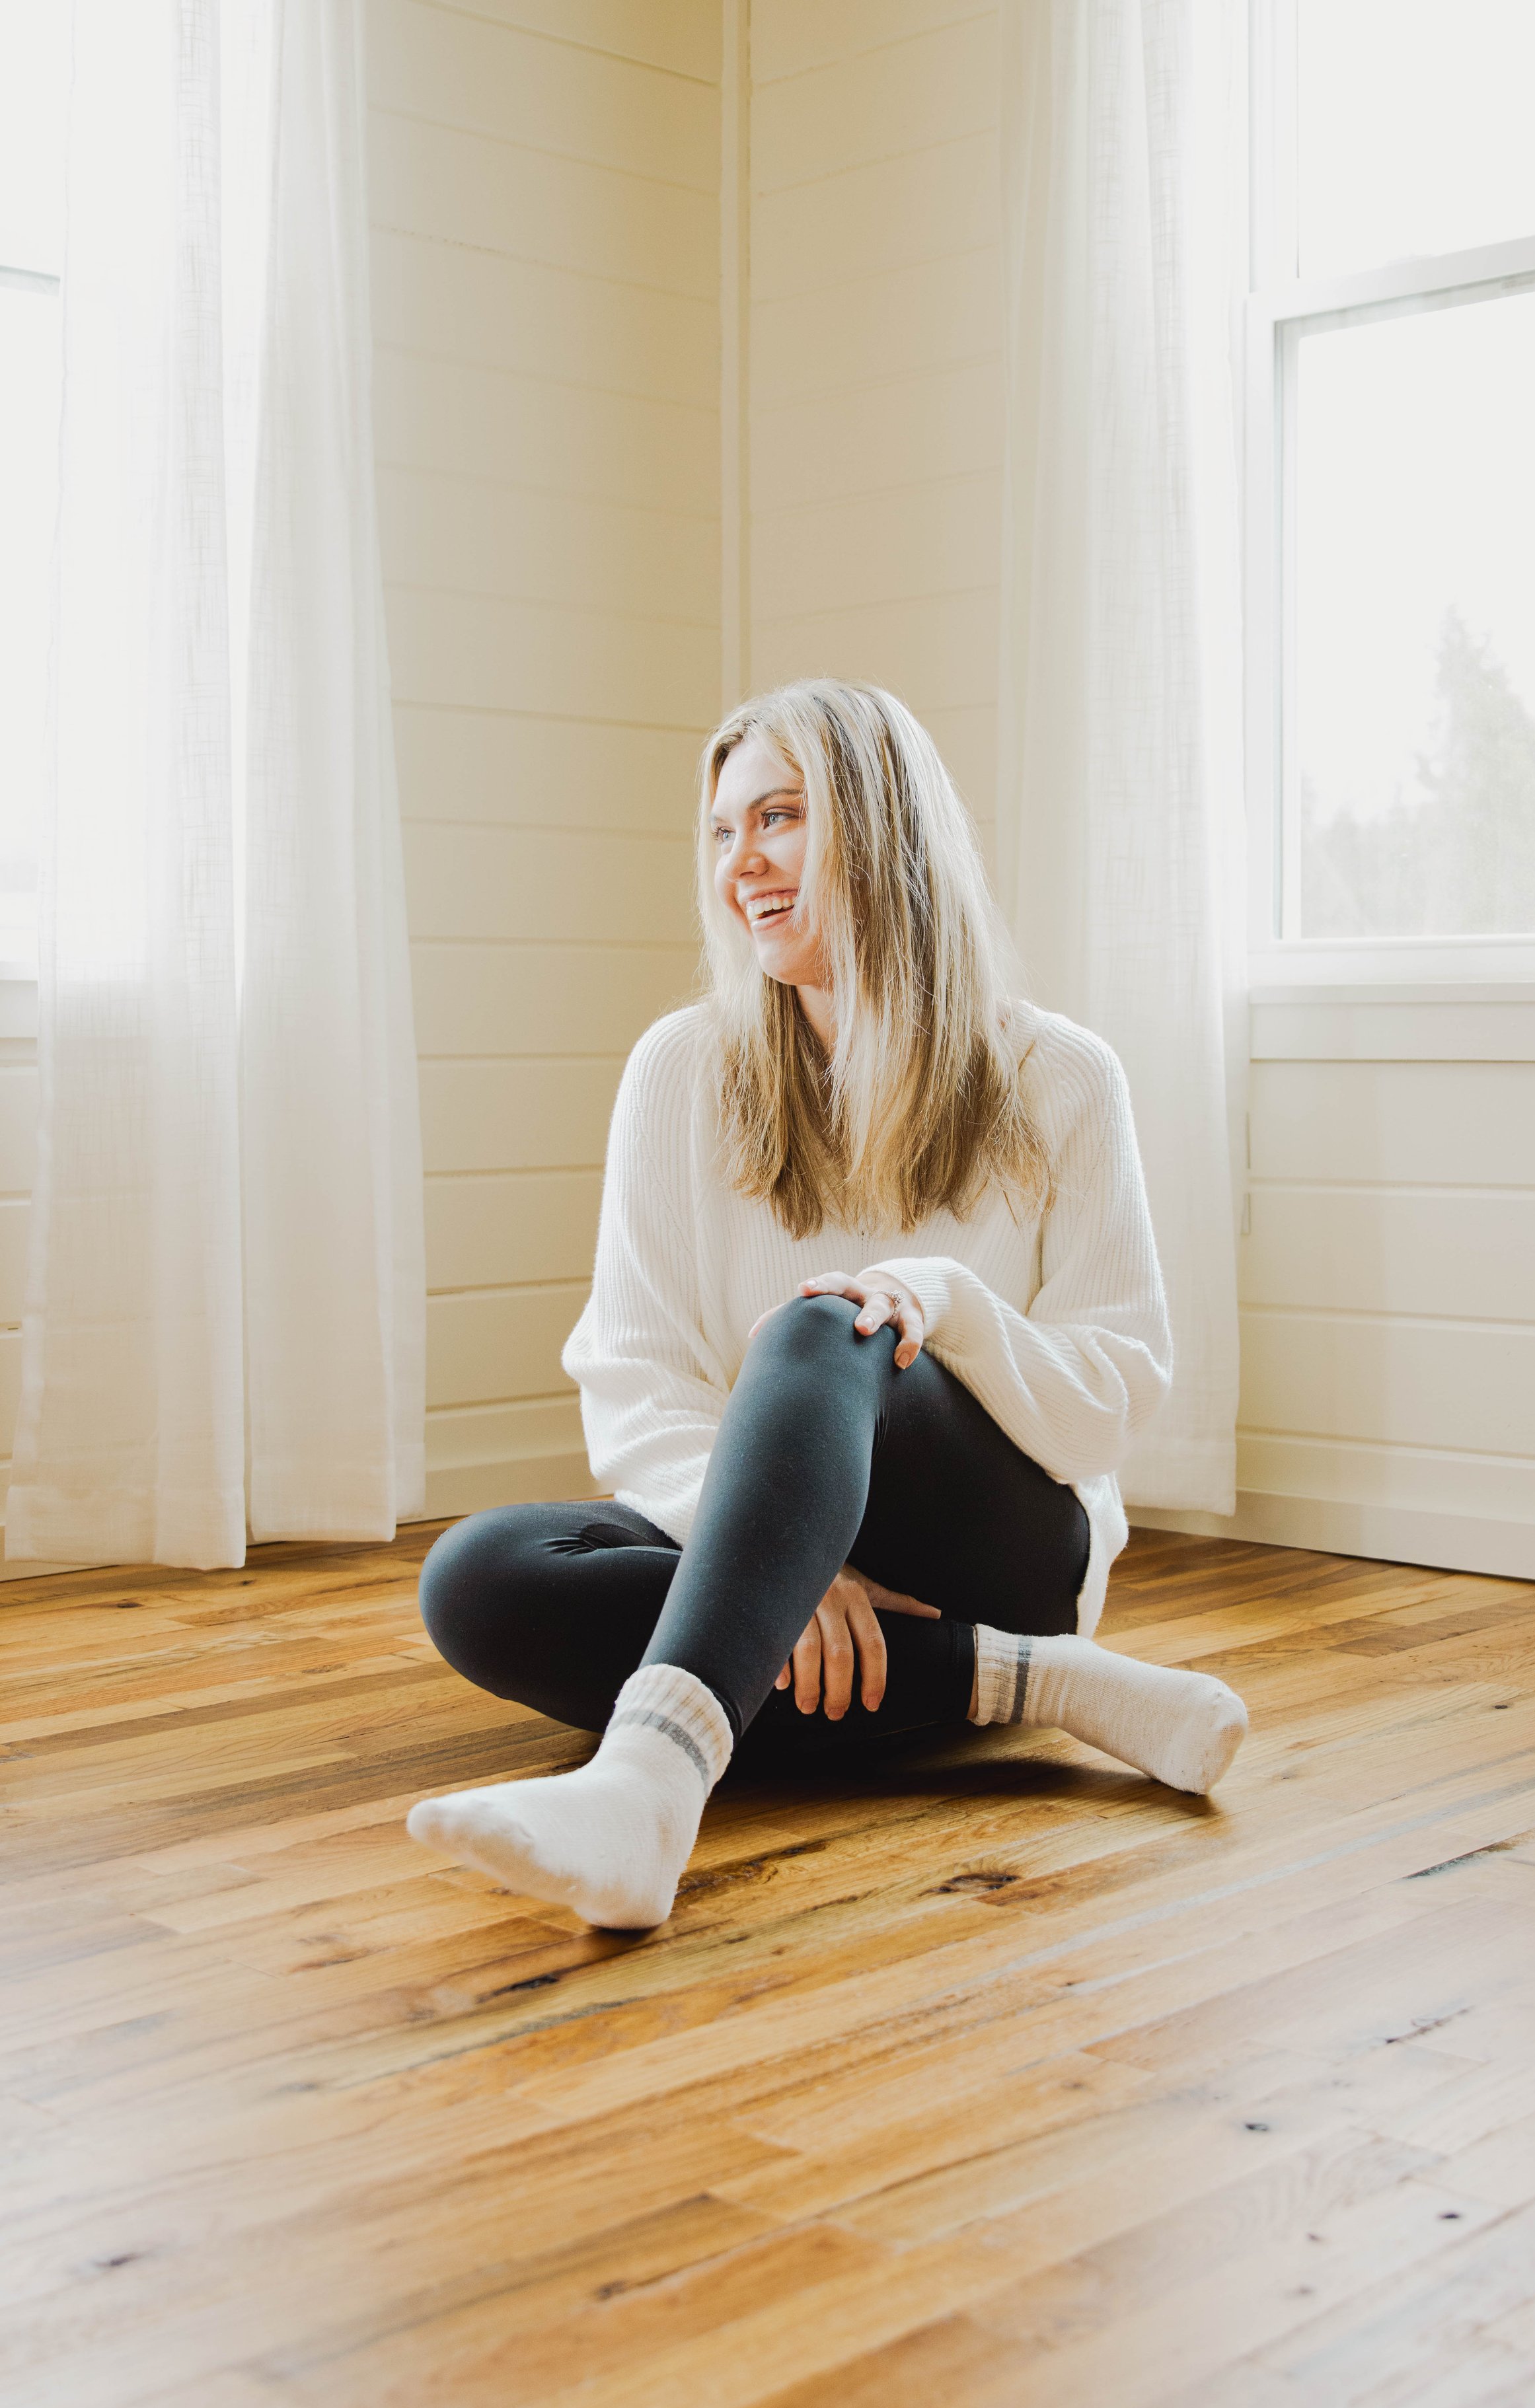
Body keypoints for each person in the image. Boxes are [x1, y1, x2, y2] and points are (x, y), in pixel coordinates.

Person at [408, 680, 1246, 1928]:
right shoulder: (682, 1070)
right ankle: (1030, 1687)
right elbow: (638, 1387)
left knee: (820, 1327)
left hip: (1000, 1545)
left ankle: (648, 1783)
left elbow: (1108, 1407)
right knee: (479, 1577)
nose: (742, 862)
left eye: (781, 817)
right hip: (780, 1549)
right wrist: (788, 1575)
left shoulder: (1060, 1077)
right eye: (723, 830)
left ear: (882, 827)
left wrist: (948, 1305)